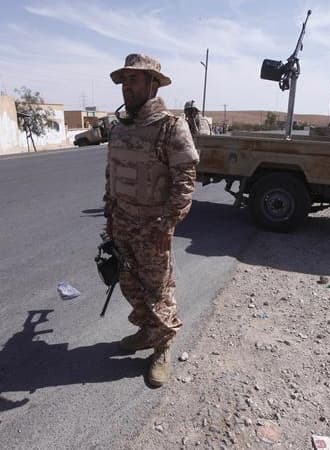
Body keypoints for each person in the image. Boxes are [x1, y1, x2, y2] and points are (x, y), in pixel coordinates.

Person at [104, 54, 199, 387]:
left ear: (153, 84)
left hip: (153, 226)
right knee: (129, 285)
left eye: (134, 80)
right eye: (124, 81)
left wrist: (168, 223)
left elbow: (185, 179)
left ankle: (162, 346)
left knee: (158, 291)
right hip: (123, 222)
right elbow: (112, 174)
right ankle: (147, 332)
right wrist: (110, 216)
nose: (127, 87)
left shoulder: (171, 127)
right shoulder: (119, 128)